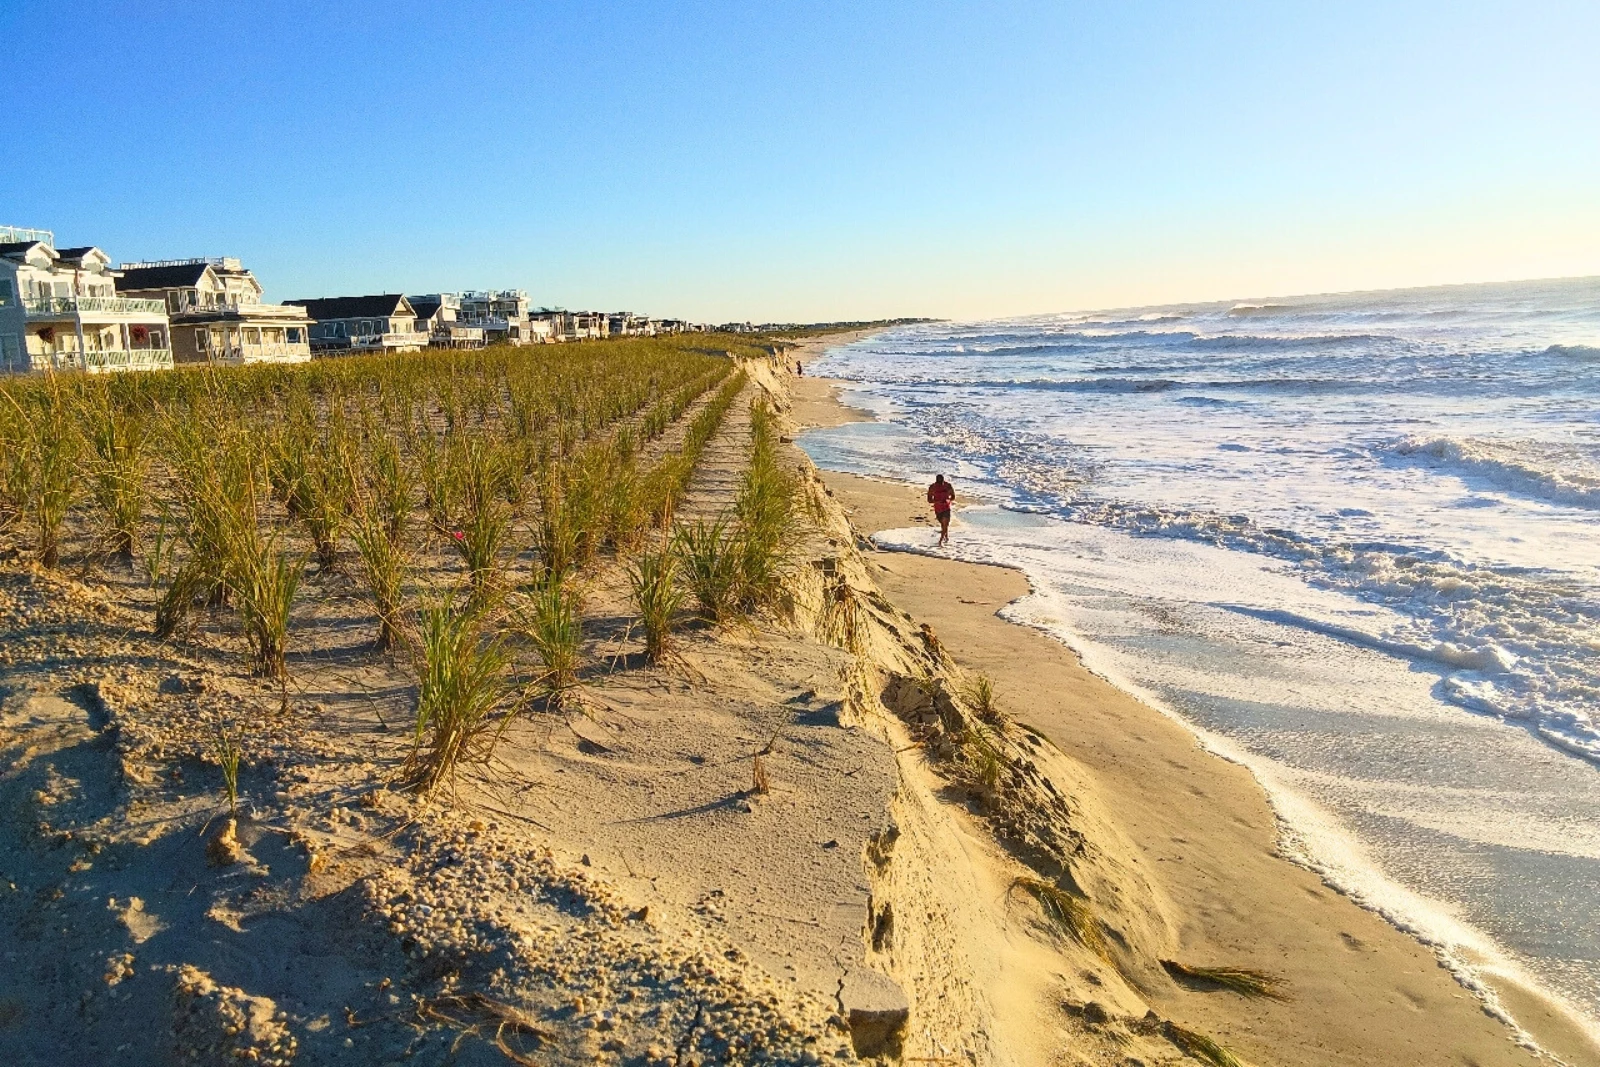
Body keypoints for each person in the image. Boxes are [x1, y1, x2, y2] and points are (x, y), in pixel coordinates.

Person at [926, 474, 955, 546]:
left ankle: (940, 541)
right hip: (938, 509)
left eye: (942, 482)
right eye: (939, 482)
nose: (940, 483)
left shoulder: (948, 486)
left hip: (946, 508)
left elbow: (953, 496)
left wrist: (948, 500)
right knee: (943, 524)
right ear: (936, 481)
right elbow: (929, 500)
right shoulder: (932, 487)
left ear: (943, 480)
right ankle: (946, 537)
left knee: (945, 524)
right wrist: (937, 502)